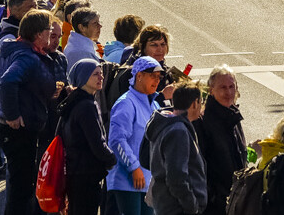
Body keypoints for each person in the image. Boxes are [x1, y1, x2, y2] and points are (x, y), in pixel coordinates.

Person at [0, 10, 64, 215]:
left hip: (21, 128)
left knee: (22, 186)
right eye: (49, 31)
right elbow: (7, 81)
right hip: (20, 131)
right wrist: (9, 113)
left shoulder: (16, 50)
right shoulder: (27, 56)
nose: (52, 36)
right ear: (38, 34)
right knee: (21, 189)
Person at [59, 59, 116, 215]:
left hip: (75, 170)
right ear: (83, 78)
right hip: (86, 173)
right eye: (95, 74)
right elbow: (97, 142)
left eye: (101, 74)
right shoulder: (87, 106)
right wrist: (112, 159)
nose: (101, 78)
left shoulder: (73, 101)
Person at [108, 56, 161, 215]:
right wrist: (134, 167)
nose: (157, 81)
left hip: (147, 181)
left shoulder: (154, 104)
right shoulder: (126, 103)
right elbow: (117, 141)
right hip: (127, 181)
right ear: (139, 76)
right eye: (153, 76)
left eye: (159, 77)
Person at [144, 82, 207, 215]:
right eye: (201, 102)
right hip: (176, 208)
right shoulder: (178, 131)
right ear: (195, 103)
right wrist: (192, 206)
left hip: (165, 204)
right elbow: (176, 177)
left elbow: (144, 158)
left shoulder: (164, 122)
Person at [194, 66, 245, 215]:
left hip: (234, 200)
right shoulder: (203, 122)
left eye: (231, 87)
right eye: (223, 87)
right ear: (211, 90)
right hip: (215, 205)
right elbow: (199, 165)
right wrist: (212, 197)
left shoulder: (233, 116)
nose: (228, 92)